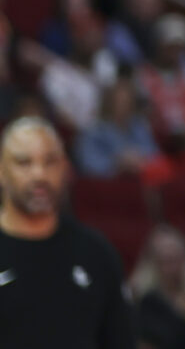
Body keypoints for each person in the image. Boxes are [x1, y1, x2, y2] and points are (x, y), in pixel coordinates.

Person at [0, 116, 134, 349]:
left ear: (65, 168)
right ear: (2, 171)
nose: (39, 175)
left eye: (50, 162)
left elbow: (121, 340)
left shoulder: (97, 253)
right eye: (24, 163)